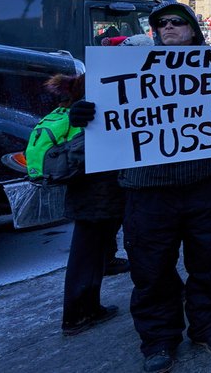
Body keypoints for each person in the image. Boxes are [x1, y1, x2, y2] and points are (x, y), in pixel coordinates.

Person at [74, 2, 211, 373]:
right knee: (151, 269)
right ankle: (159, 338)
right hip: (148, 192)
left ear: (192, 30)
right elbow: (108, 116)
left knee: (210, 263)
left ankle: (208, 324)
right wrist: (82, 114)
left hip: (205, 185)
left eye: (177, 23)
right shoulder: (128, 71)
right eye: (160, 24)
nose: (168, 29)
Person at [31, 74, 124, 337]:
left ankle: (82, 310)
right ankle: (78, 314)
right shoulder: (89, 100)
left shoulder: (82, 90)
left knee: (92, 250)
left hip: (92, 189)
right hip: (97, 189)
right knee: (89, 252)